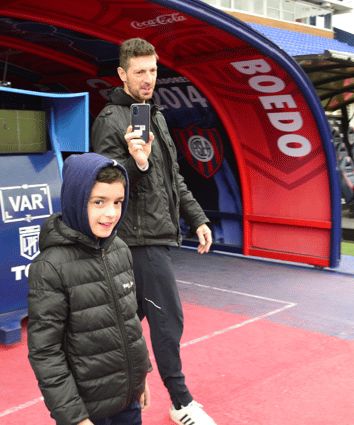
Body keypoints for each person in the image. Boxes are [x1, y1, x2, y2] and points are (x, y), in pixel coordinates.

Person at [91, 38, 215, 425]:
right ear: (122, 74)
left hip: (158, 234)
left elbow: (172, 177)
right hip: (136, 240)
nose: (148, 79)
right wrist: (134, 159)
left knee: (125, 324)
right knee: (167, 320)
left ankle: (104, 392)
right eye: (140, 71)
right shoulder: (110, 120)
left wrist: (197, 218)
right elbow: (103, 184)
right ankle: (181, 403)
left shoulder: (155, 116)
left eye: (153, 70)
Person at [28, 152, 151, 425]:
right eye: (99, 202)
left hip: (127, 399)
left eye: (118, 202)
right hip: (88, 411)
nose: (111, 213)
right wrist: (74, 418)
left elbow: (130, 322)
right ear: (75, 200)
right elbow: (45, 352)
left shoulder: (119, 249)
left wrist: (140, 377)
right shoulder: (50, 267)